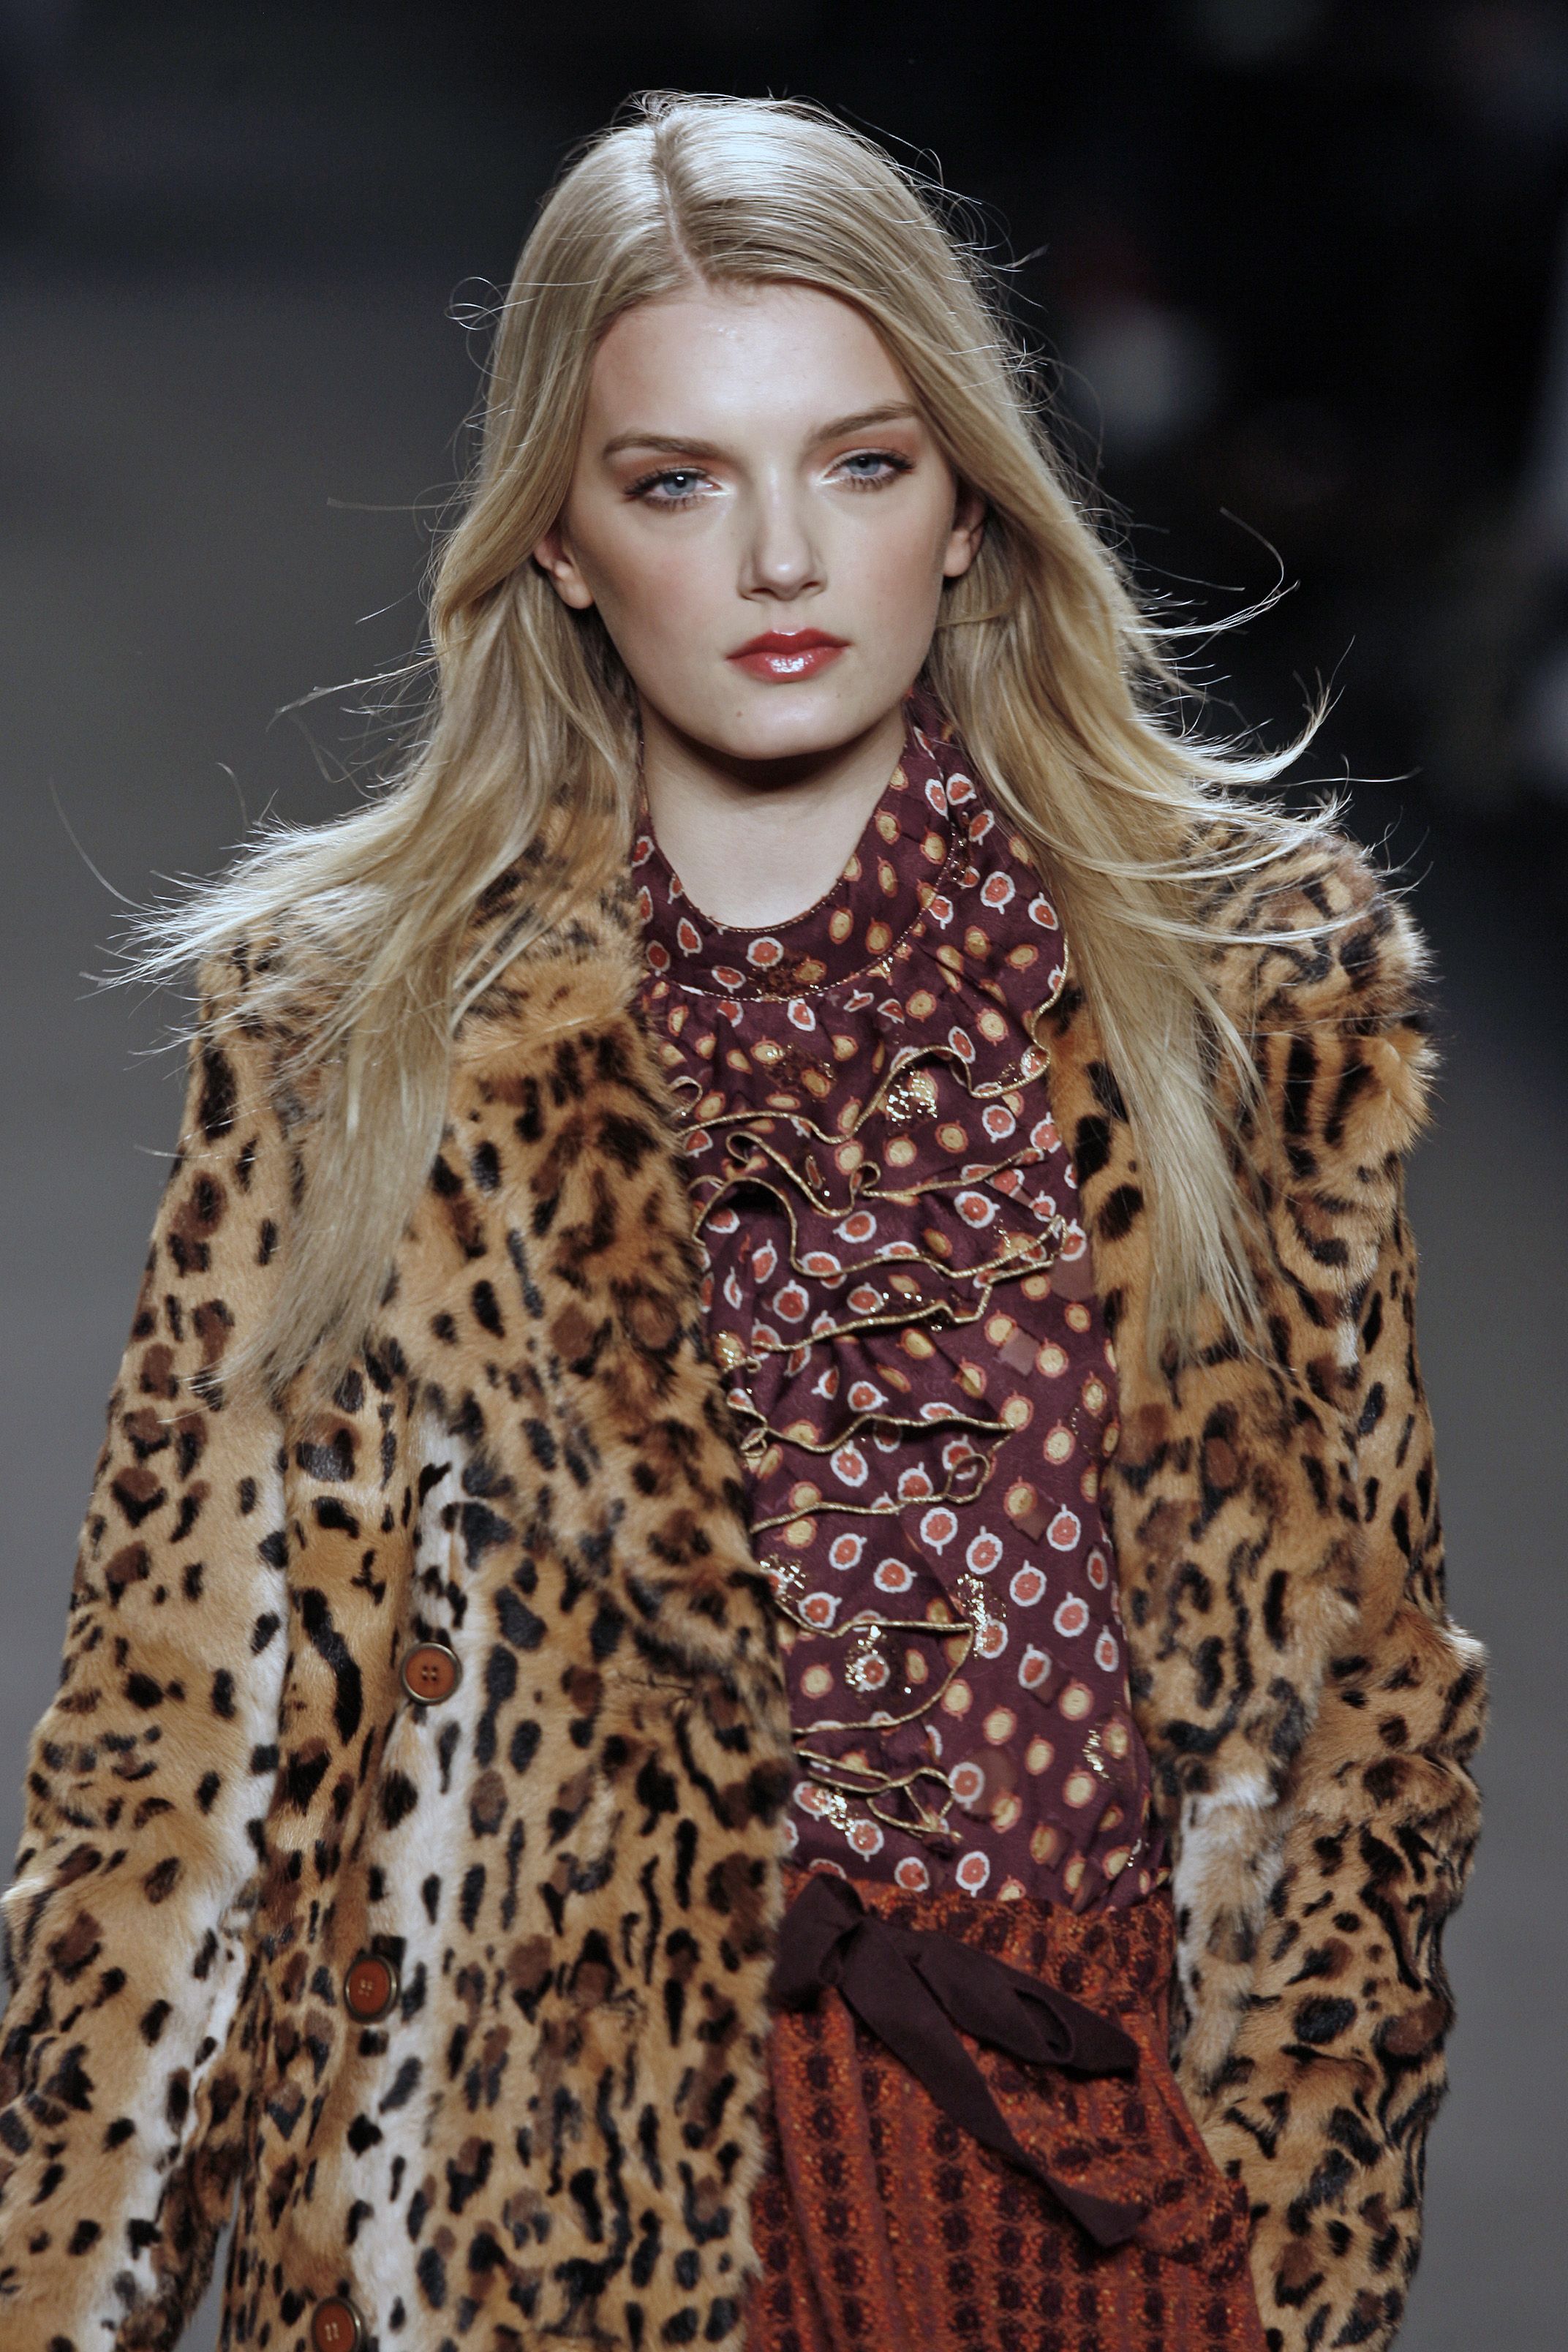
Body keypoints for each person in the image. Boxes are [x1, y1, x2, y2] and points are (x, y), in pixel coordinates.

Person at [0, 93, 1485, 2352]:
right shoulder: (356, 1028)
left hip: (1088, 2219)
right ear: (562, 540)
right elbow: (173, 1751)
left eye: (860, 465)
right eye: (680, 481)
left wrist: (1293, 2251)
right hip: (533, 2227)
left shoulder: (1245, 989)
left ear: (968, 508)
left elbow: (1361, 1699)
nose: (785, 557)